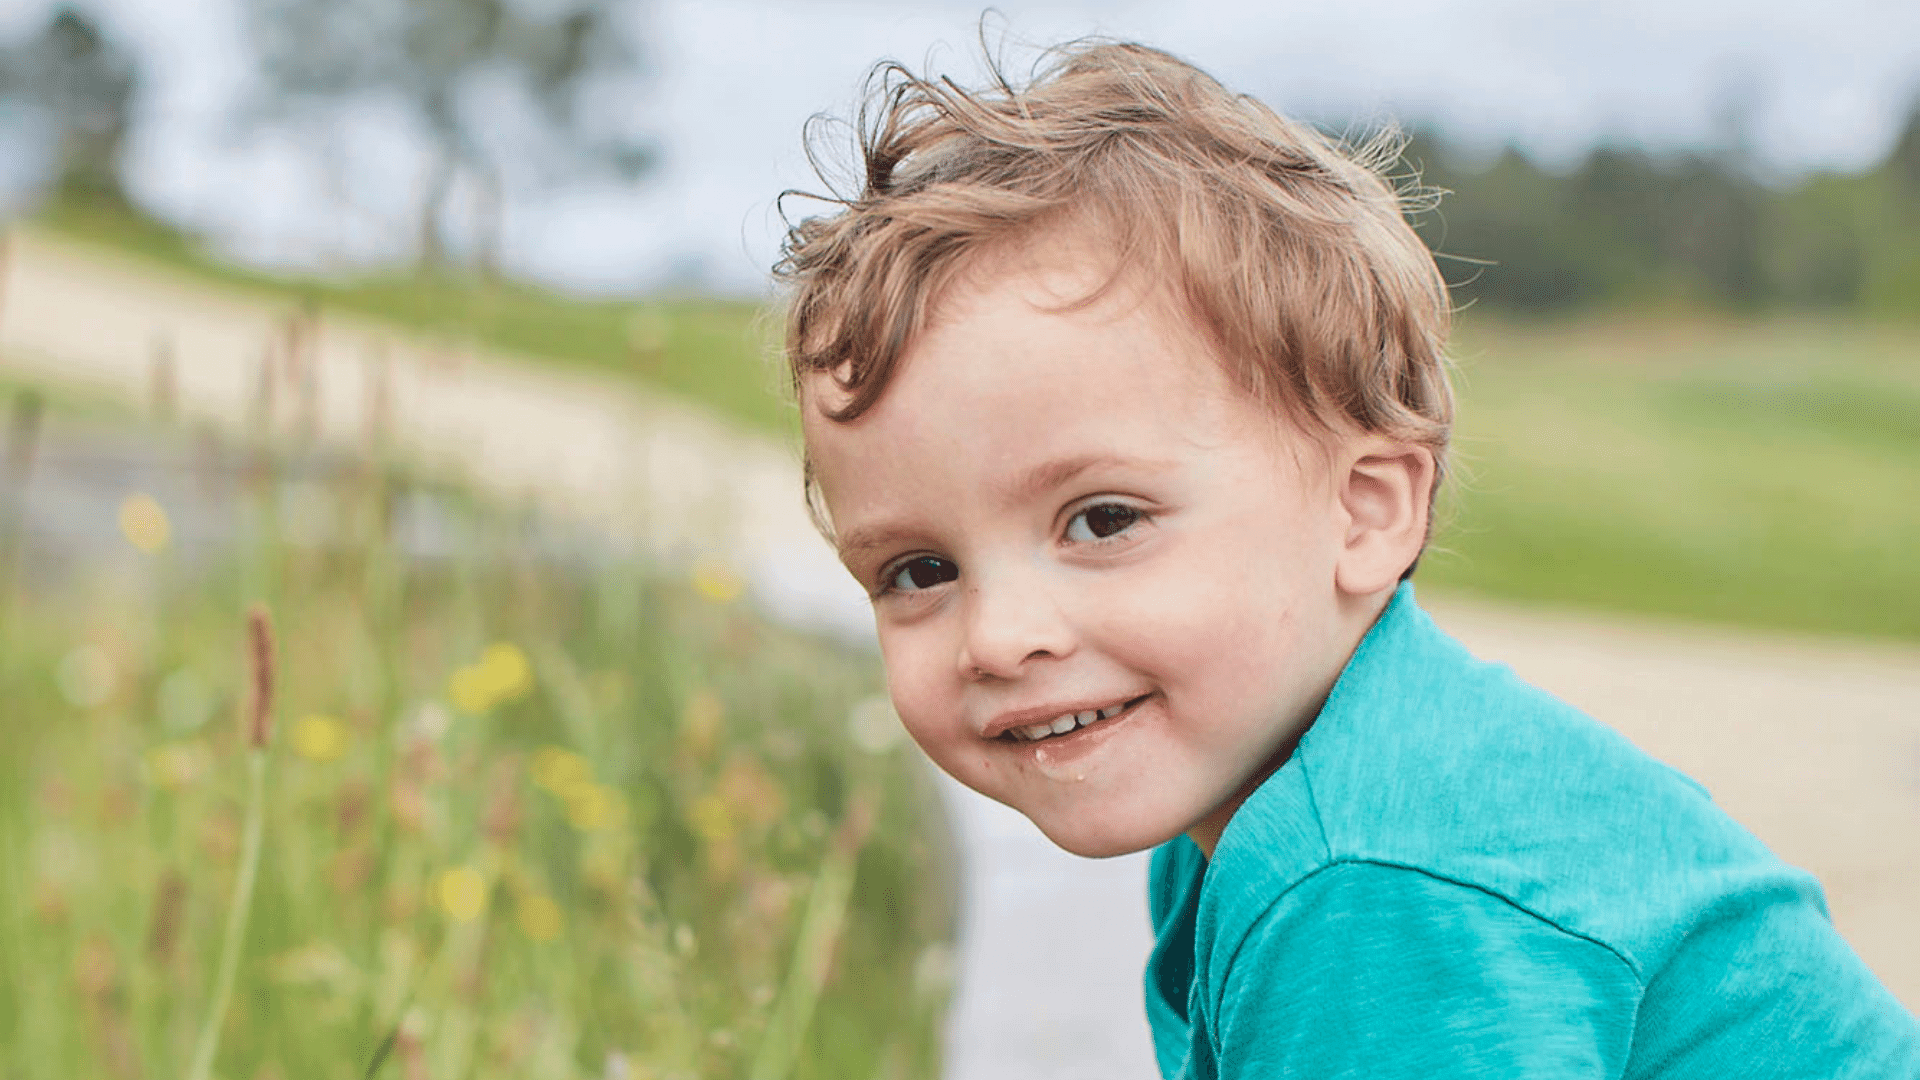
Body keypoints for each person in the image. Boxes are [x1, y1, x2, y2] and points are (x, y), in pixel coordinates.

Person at [772, 37, 1920, 1078]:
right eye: (919, 571)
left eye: (1104, 520)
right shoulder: (1261, 795)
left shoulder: (1367, 876)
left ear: (1365, 513)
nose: (999, 634)